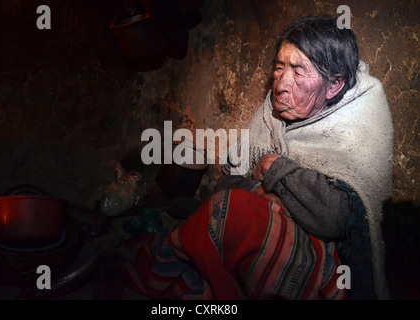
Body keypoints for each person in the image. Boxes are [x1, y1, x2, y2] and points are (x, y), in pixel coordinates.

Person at [120, 15, 394, 300]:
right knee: (224, 217)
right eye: (279, 67)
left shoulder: (356, 121)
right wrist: (263, 192)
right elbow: (225, 184)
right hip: (270, 240)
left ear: (334, 85)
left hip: (325, 265)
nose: (280, 84)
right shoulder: (272, 113)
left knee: (231, 219)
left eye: (298, 71)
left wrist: (273, 167)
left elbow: (333, 217)